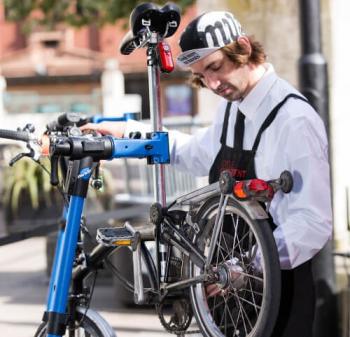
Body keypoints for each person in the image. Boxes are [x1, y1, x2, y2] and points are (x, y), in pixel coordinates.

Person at [82, 11, 332, 337]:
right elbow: (193, 153)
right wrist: (125, 133)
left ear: (242, 47)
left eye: (215, 67)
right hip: (225, 291)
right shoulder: (232, 109)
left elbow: (313, 222)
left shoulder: (293, 120)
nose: (212, 84)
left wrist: (250, 264)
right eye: (202, 76)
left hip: (278, 294)